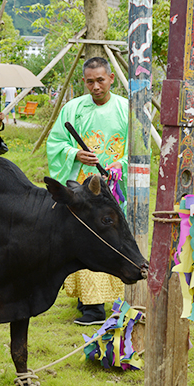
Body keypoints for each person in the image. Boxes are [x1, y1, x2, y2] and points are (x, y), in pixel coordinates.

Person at [47, 57, 128, 326]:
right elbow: (56, 142)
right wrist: (74, 153)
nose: (95, 87)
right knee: (83, 238)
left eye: (100, 80)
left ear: (112, 79)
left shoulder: (126, 109)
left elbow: (136, 150)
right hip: (81, 190)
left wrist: (120, 164)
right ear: (84, 81)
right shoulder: (73, 109)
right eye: (90, 81)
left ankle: (104, 303)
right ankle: (89, 304)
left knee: (109, 238)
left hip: (114, 189)